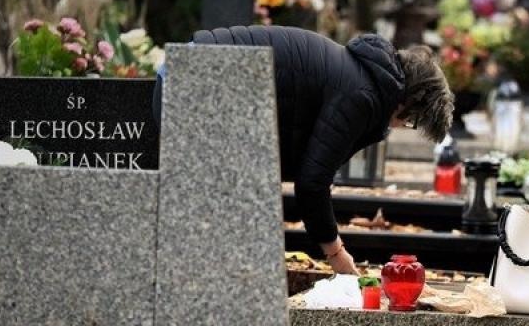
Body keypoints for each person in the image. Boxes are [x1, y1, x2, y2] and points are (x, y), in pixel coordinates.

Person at [191, 26, 453, 274]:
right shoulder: (362, 96)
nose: (399, 126)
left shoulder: (361, 76)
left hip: (203, 62)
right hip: (201, 73)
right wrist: (335, 253)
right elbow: (312, 183)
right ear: (408, 102)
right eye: (410, 121)